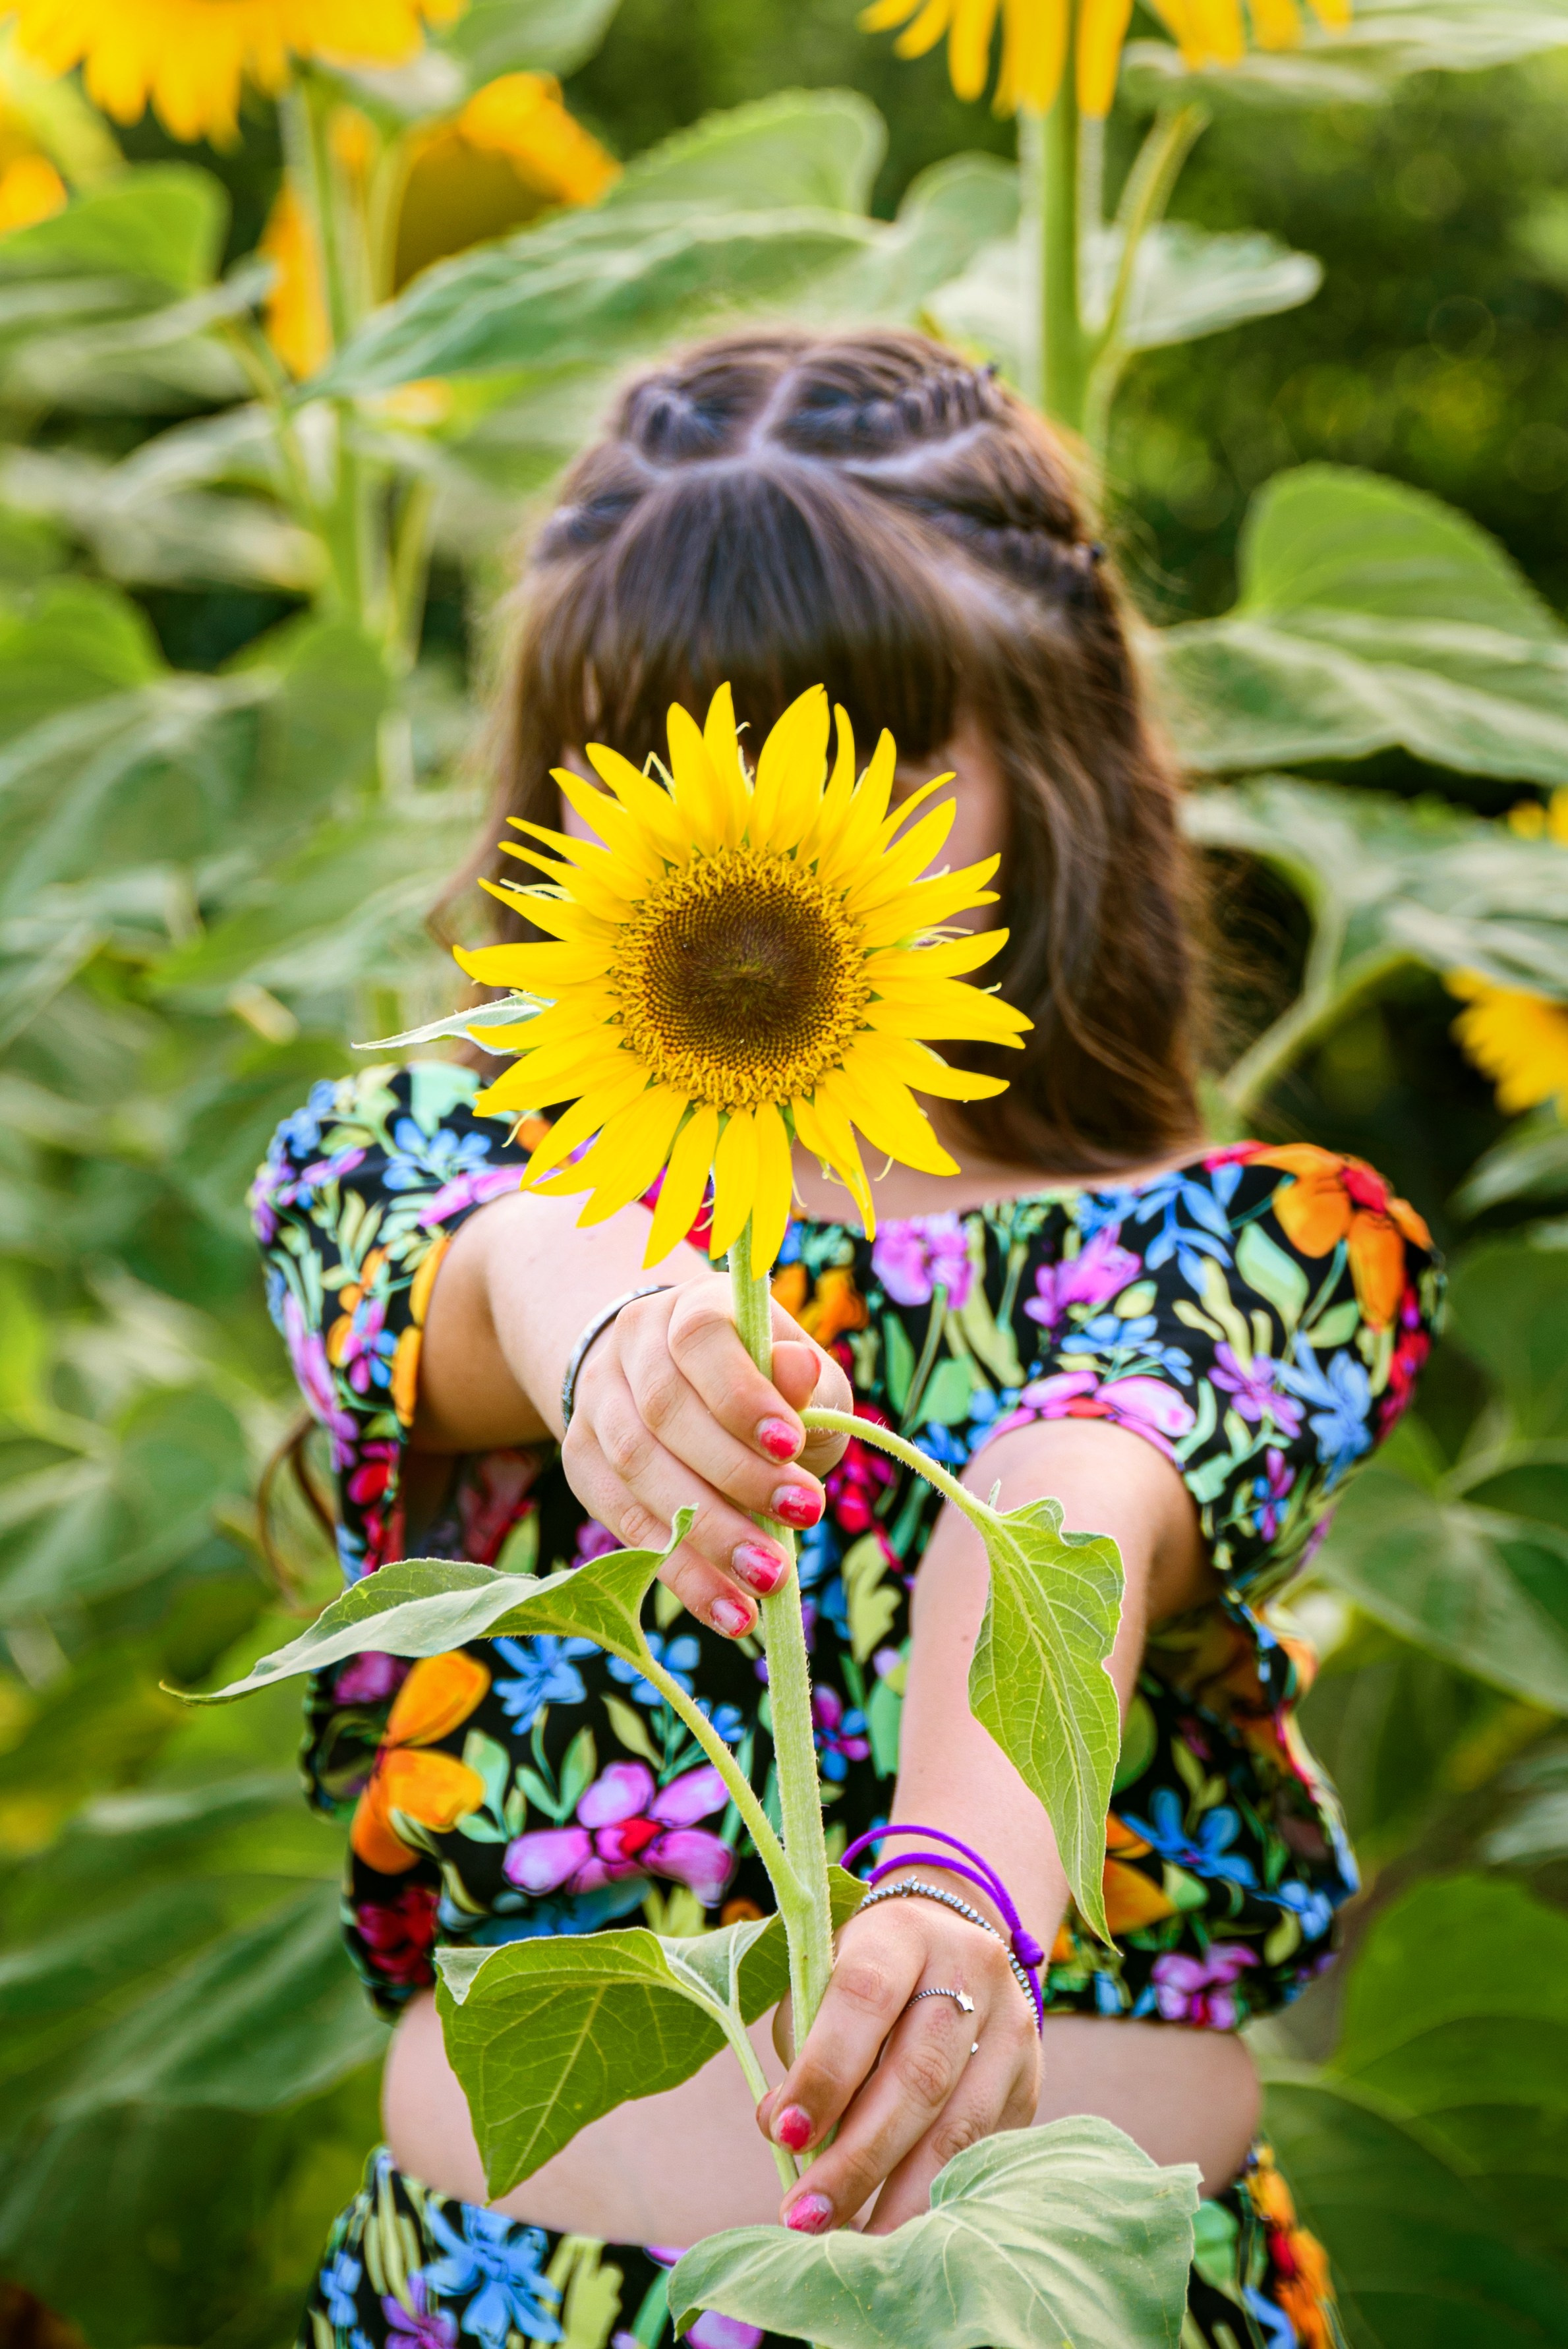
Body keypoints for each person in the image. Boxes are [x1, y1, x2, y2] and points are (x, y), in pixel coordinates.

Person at [258, 328, 1439, 2349]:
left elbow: (1062, 1489)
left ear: (1039, 758)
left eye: (869, 758)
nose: (766, 854)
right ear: (574, 804)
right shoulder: (454, 1164)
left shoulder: (1241, 1249)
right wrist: (617, 1321)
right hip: (518, 2307)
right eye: (681, 763)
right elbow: (488, 1259)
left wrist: (960, 1890)